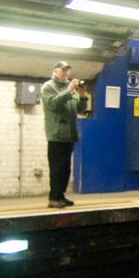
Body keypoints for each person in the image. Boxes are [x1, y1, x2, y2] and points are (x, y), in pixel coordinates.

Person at [41, 60, 87, 208]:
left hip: (69, 135)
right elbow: (53, 104)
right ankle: (53, 198)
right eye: (62, 71)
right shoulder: (48, 87)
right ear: (55, 71)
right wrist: (69, 91)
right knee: (56, 168)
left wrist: (82, 94)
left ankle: (61, 195)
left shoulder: (71, 88)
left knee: (65, 169)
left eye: (67, 71)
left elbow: (79, 108)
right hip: (56, 135)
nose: (65, 73)